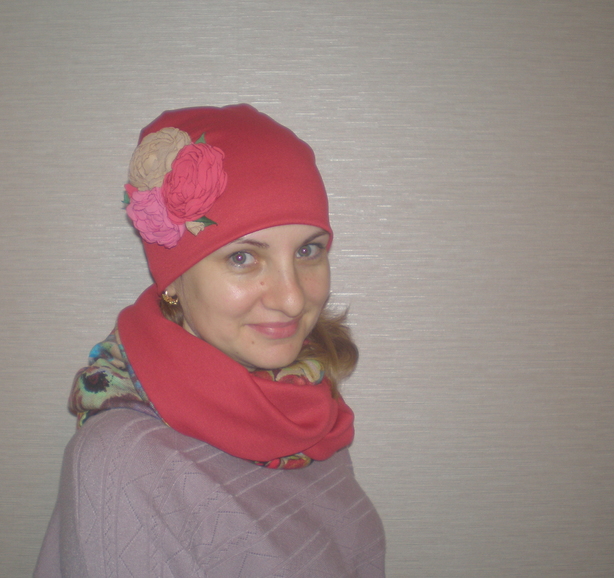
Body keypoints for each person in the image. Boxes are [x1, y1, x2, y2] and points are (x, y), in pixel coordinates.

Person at [34, 104, 386, 577]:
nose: (292, 298)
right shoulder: (126, 462)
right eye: (243, 258)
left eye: (308, 250)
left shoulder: (304, 405)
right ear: (174, 280)